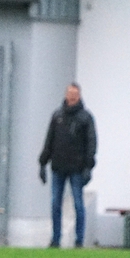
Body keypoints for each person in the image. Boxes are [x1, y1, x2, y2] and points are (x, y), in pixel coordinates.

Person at [39, 83, 97, 248]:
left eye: (75, 94)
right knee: (55, 204)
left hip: (77, 169)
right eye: (70, 93)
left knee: (78, 204)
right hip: (58, 167)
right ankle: (55, 239)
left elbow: (92, 143)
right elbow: (49, 140)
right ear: (65, 95)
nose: (72, 96)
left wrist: (89, 166)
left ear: (79, 96)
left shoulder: (86, 118)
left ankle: (79, 240)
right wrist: (42, 163)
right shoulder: (57, 116)